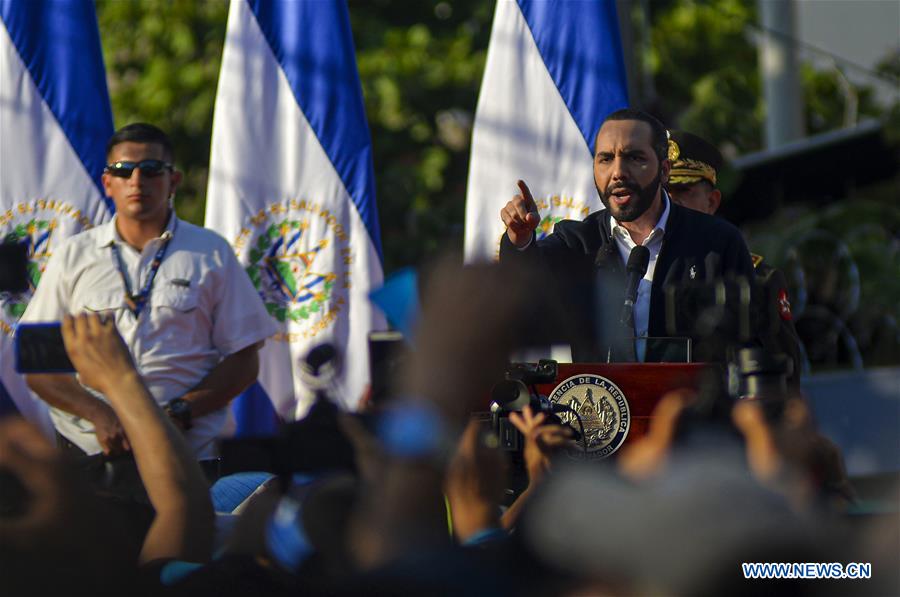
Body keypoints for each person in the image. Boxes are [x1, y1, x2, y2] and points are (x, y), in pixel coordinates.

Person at [21, 123, 277, 465]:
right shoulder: (73, 256)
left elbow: (245, 359)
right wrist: (101, 416)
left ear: (173, 181)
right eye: (124, 171)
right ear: (107, 183)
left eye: (152, 169)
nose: (137, 181)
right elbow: (38, 367)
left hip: (187, 451)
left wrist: (181, 411)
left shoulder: (212, 252)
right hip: (93, 453)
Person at [499, 109, 755, 362]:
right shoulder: (577, 243)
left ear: (664, 171)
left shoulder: (718, 242)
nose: (618, 172)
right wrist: (519, 240)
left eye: (634, 158)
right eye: (606, 159)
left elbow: (750, 346)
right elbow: (523, 288)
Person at [666, 129, 804, 388]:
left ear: (712, 202)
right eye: (663, 192)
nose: (672, 202)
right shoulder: (634, 273)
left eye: (684, 190)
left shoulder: (753, 277)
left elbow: (784, 375)